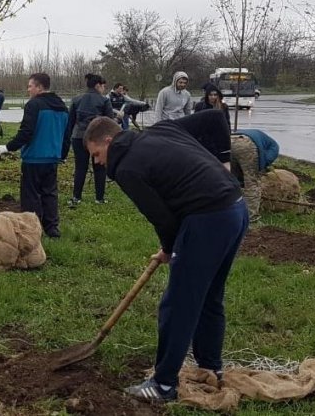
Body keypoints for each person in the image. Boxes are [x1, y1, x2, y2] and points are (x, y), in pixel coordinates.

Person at [83, 114, 247, 402]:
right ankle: (211, 366)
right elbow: (214, 119)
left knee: (179, 303)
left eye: (96, 154)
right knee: (210, 295)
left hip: (207, 219)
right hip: (235, 208)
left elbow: (162, 218)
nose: (96, 162)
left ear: (109, 140)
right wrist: (224, 163)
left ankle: (164, 385)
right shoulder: (162, 129)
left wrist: (170, 248)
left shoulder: (127, 168)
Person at [0, 73, 69, 238]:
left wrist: (7, 147)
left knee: (31, 195)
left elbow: (26, 132)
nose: (28, 89)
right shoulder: (62, 107)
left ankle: (31, 229)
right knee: (50, 193)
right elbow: (66, 135)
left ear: (40, 87)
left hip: (33, 158)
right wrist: (62, 154)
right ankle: (52, 228)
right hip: (52, 158)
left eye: (30, 86)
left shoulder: (34, 105)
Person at [66, 73, 115, 206]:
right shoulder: (104, 100)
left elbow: (70, 122)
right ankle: (99, 198)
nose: (104, 89)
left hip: (78, 136)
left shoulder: (76, 99)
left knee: (80, 167)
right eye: (103, 86)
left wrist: (68, 139)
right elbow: (109, 122)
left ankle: (76, 197)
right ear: (98, 85)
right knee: (99, 168)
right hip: (97, 139)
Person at [231, 129, 280, 221]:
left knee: (233, 180)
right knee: (252, 182)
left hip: (229, 141)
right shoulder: (274, 147)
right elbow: (267, 160)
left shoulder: (261, 138)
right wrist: (260, 168)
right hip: (246, 144)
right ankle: (251, 216)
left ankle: (231, 210)